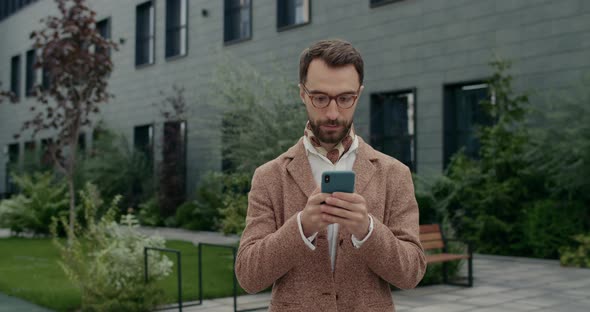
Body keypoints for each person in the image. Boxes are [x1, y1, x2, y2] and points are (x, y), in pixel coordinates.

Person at [235, 39, 426, 312]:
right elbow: (248, 276)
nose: (333, 113)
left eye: (345, 98)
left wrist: (367, 229)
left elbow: (411, 273)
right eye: (320, 98)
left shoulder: (394, 174)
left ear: (358, 95)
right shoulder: (269, 176)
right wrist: (302, 226)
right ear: (302, 93)